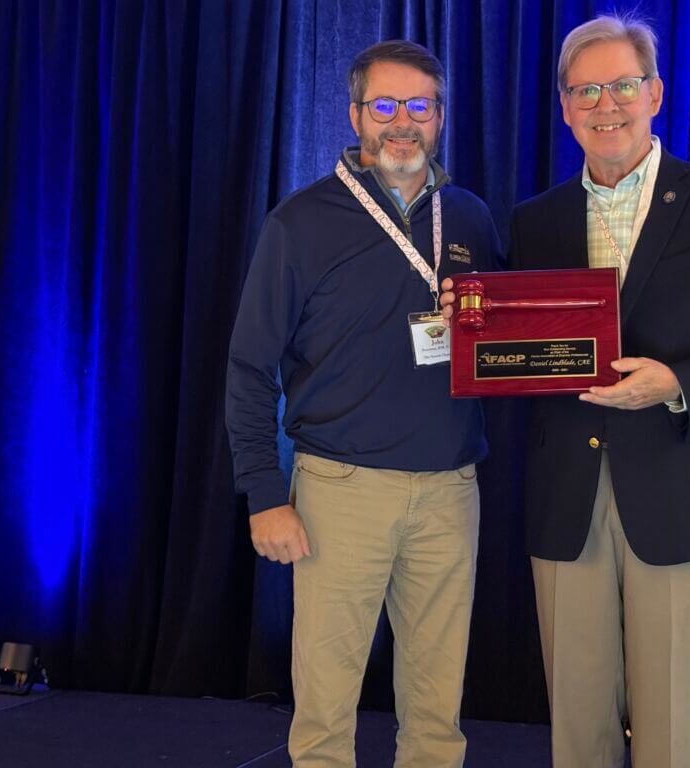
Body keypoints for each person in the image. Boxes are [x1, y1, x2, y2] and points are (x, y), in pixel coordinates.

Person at [440, 13, 690, 768]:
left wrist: (678, 383)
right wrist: (469, 323)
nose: (607, 104)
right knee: (577, 726)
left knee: (669, 732)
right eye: (587, 90)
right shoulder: (533, 221)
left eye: (623, 86)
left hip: (683, 487)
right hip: (567, 495)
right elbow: (526, 349)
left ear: (656, 93)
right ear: (566, 107)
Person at [226, 40, 501, 768]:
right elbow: (250, 368)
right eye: (384, 105)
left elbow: (502, 346)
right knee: (324, 714)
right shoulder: (300, 223)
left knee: (438, 716)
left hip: (450, 491)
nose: (401, 122)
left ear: (440, 118)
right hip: (339, 492)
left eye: (419, 106)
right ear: (354, 116)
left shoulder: (469, 218)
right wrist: (263, 494)